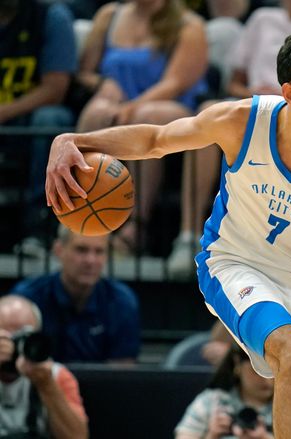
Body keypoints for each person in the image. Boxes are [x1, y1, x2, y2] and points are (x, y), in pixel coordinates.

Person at [45, 24, 291, 438]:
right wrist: (75, 138)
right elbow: (156, 140)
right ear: (290, 93)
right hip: (236, 264)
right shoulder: (242, 122)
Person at [167, 0, 291, 279]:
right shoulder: (262, 19)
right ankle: (186, 235)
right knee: (208, 116)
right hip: (263, 115)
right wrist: (254, 93)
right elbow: (232, 82)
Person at [76, 0, 208, 255]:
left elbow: (175, 83)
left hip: (172, 106)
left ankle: (135, 226)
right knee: (97, 111)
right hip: (119, 102)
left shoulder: (189, 24)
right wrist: (103, 83)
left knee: (147, 116)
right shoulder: (109, 14)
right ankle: (80, 215)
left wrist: (131, 106)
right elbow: (83, 72)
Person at [1, 0, 77, 258]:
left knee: (50, 120)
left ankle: (39, 226)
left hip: (29, 119)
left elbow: (54, 89)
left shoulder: (51, 17)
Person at [11, 226, 141, 364]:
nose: (90, 261)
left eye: (99, 251)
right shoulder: (27, 297)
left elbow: (122, 373)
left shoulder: (122, 301)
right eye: (81, 250)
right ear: (58, 249)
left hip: (100, 385)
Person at [176, 342, 291, 439]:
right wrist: (211, 435)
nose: (266, 379)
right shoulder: (212, 400)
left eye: (273, 371)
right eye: (257, 370)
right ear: (237, 365)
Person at [0, 295, 88, 438]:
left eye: (23, 336)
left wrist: (46, 385)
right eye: (6, 336)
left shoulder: (54, 374)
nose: (14, 345)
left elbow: (77, 436)